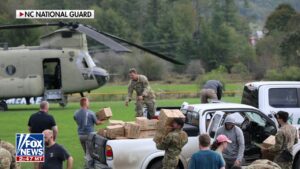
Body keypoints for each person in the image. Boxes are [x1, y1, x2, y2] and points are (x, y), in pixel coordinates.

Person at [74, 97, 103, 168]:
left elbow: (75, 118)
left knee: (86, 152)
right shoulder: (91, 112)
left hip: (81, 135)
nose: (89, 103)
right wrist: (104, 120)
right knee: (89, 153)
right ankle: (88, 167)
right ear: (85, 103)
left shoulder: (76, 113)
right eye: (88, 102)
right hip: (89, 135)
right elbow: (97, 123)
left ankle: (87, 165)